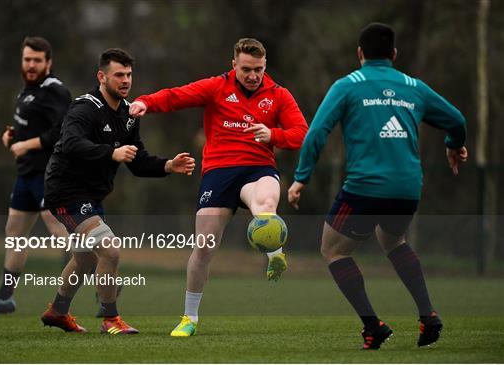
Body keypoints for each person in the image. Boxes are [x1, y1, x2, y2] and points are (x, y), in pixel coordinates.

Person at [288, 22, 468, 350]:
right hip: (407, 189)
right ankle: (428, 315)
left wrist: (301, 177)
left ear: (360, 54)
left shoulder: (348, 86)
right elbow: (457, 119)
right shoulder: (414, 86)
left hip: (364, 189)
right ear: (394, 54)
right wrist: (454, 143)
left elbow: (317, 132)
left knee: (333, 250)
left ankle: (373, 326)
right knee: (394, 239)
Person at [130, 38, 308, 336]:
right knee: (204, 248)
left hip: (258, 169)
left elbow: (302, 133)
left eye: (259, 70)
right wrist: (145, 102)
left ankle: (274, 253)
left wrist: (273, 134)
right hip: (219, 173)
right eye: (247, 69)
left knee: (265, 205)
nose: (253, 76)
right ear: (233, 65)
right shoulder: (216, 87)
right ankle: (190, 318)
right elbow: (177, 96)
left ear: (266, 66)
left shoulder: (278, 95)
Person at [40, 48, 195, 334]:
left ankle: (58, 311)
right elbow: (71, 143)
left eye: (129, 75)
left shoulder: (128, 114)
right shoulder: (84, 108)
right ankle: (110, 319)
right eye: (119, 75)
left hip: (91, 196)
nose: (126, 81)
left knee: (85, 259)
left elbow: (137, 160)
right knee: (109, 251)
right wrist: (111, 152)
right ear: (101, 76)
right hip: (65, 192)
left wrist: (168, 165)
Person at [0, 36, 72, 317]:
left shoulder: (54, 90)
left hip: (50, 172)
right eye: (27, 59)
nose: (30, 65)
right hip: (26, 174)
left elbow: (61, 132)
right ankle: (5, 297)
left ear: (48, 63)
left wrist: (26, 145)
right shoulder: (28, 91)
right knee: (15, 233)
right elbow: (30, 129)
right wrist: (12, 139)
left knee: (57, 228)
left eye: (37, 60)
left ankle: (103, 274)